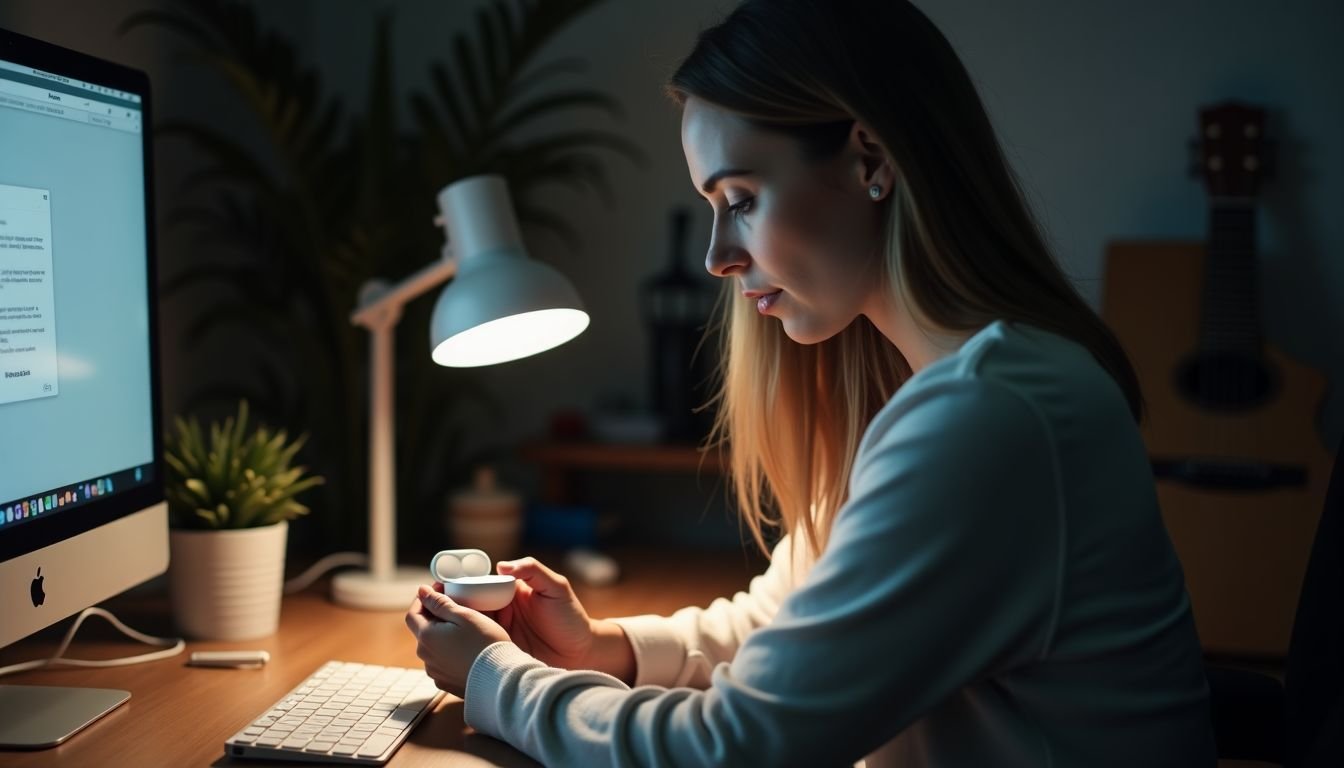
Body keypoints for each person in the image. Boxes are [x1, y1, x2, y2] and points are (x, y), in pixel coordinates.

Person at [405, 1, 1216, 765]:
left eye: (742, 199)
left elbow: (740, 746)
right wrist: (600, 649)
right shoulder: (943, 387)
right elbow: (787, 625)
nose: (717, 257)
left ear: (870, 159)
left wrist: (497, 680)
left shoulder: (991, 418)